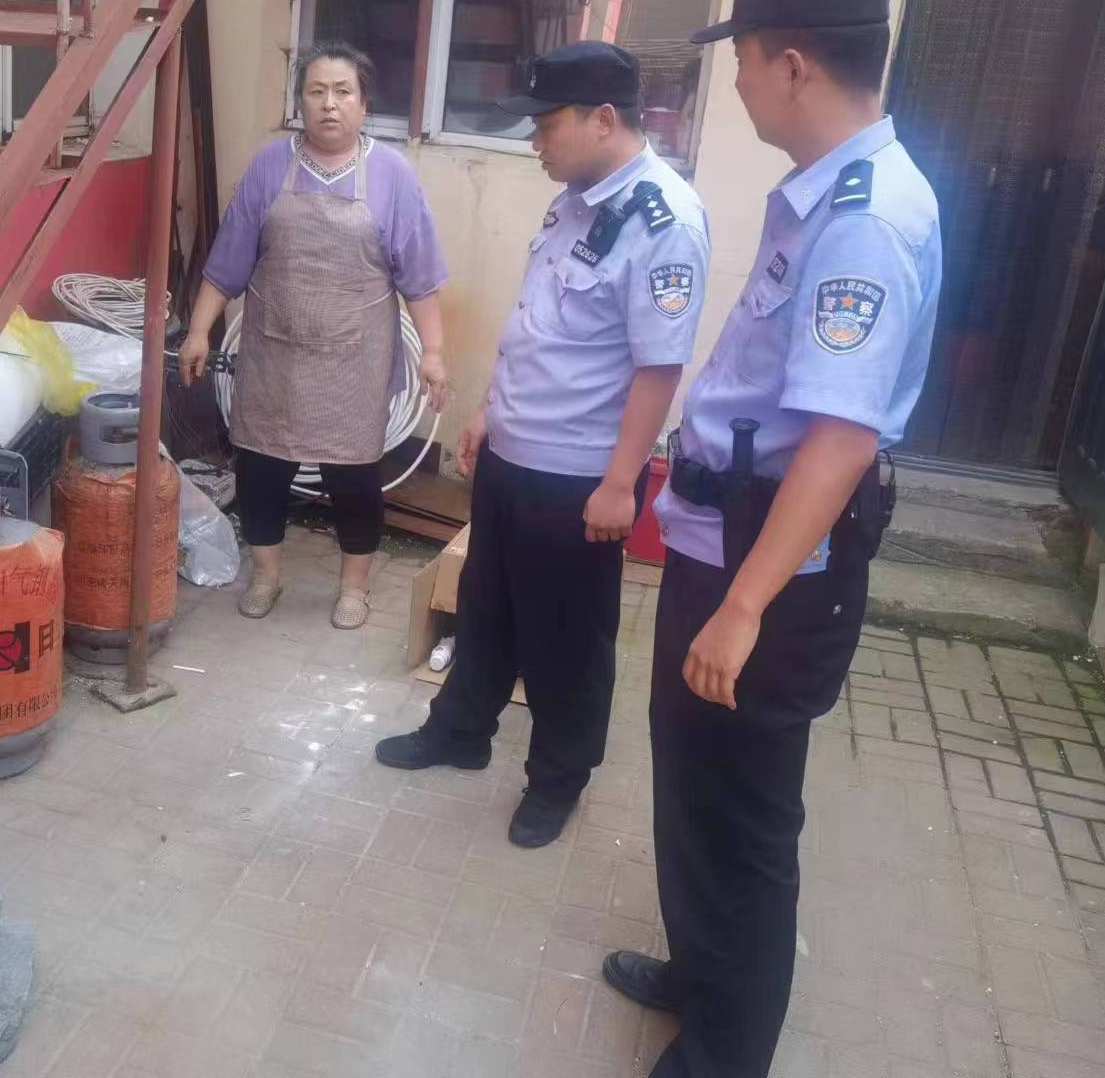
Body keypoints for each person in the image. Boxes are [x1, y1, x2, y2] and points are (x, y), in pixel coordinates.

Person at [602, 0, 943, 1078]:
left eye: (742, 58)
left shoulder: (863, 221)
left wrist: (743, 607)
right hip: (724, 538)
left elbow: (840, 439)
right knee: (693, 780)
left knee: (743, 815)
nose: (738, 80)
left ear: (791, 63)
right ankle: (700, 972)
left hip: (772, 568)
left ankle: (725, 1051)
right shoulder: (823, 194)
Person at [375, 41, 711, 849]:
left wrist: (621, 485)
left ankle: (558, 778)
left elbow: (658, 369)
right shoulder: (575, 198)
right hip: (513, 453)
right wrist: (490, 410)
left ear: (604, 119)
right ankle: (461, 730)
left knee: (567, 639)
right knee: (486, 605)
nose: (534, 142)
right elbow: (538, 323)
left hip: (580, 478)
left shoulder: (664, 221)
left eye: (546, 125)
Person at [180, 43, 449, 630]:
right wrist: (199, 329)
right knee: (261, 469)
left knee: (353, 476)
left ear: (364, 103)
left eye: (343, 92)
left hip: (355, 359)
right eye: (317, 91)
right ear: (299, 101)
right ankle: (266, 576)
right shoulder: (269, 166)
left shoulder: (392, 174)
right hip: (273, 353)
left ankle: (354, 588)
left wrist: (432, 353)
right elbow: (228, 260)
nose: (330, 104)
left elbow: (420, 275)